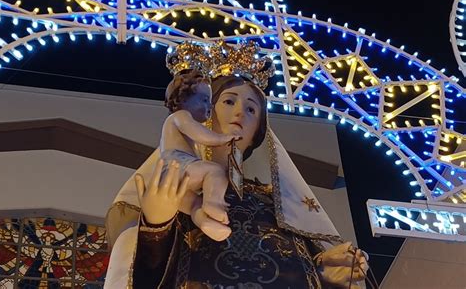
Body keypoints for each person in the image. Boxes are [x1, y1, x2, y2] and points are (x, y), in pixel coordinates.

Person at [104, 41, 368, 288]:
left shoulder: (278, 207)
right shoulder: (180, 183)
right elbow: (143, 272)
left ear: (259, 132)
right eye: (229, 101)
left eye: (252, 109)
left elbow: (298, 272)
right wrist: (156, 226)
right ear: (205, 111)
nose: (240, 112)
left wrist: (327, 272)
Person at [161, 68, 240, 241]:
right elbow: (201, 135)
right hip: (176, 166)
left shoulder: (177, 120)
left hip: (171, 181)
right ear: (183, 99)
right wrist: (223, 138)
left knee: (195, 204)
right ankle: (214, 205)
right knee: (214, 171)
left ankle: (207, 222)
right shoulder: (181, 116)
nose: (209, 106)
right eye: (205, 100)